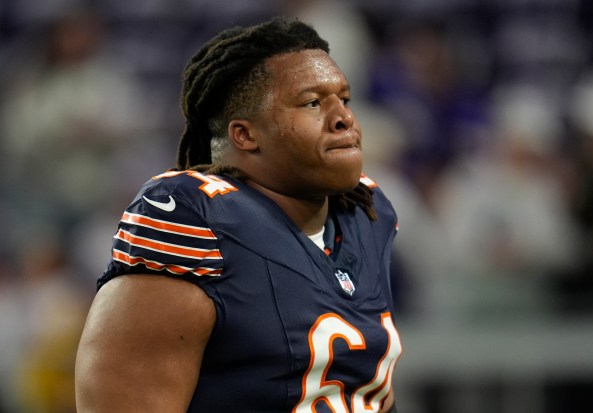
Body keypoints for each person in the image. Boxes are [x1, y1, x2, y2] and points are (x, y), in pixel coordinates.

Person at [75, 17, 402, 413]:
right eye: (312, 103)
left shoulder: (365, 214)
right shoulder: (197, 222)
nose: (343, 118)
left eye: (344, 100)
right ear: (245, 135)